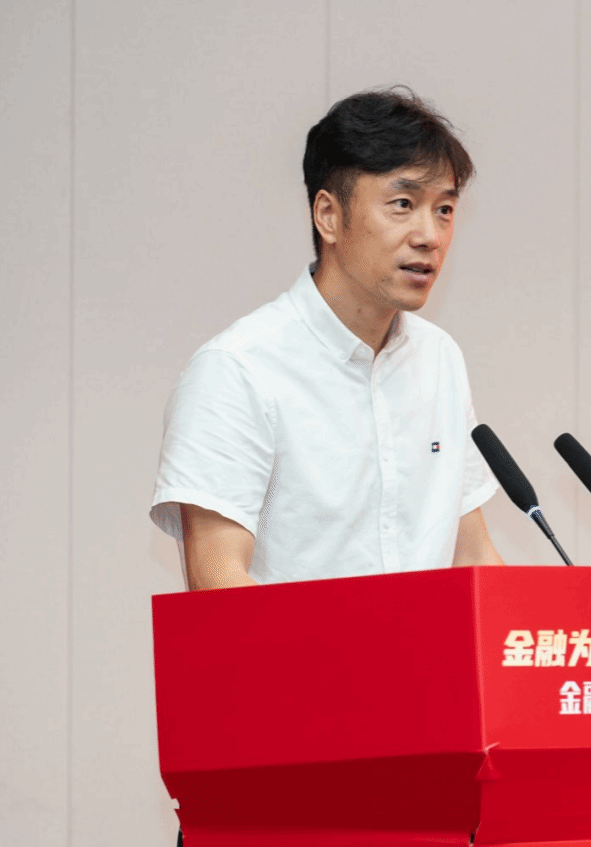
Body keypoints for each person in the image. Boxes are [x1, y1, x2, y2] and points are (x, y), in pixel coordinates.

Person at [151, 87, 503, 590]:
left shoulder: (438, 358)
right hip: (297, 647)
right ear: (329, 216)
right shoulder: (237, 370)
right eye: (403, 204)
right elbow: (218, 581)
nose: (430, 234)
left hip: (428, 648)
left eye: (444, 209)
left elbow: (473, 555)